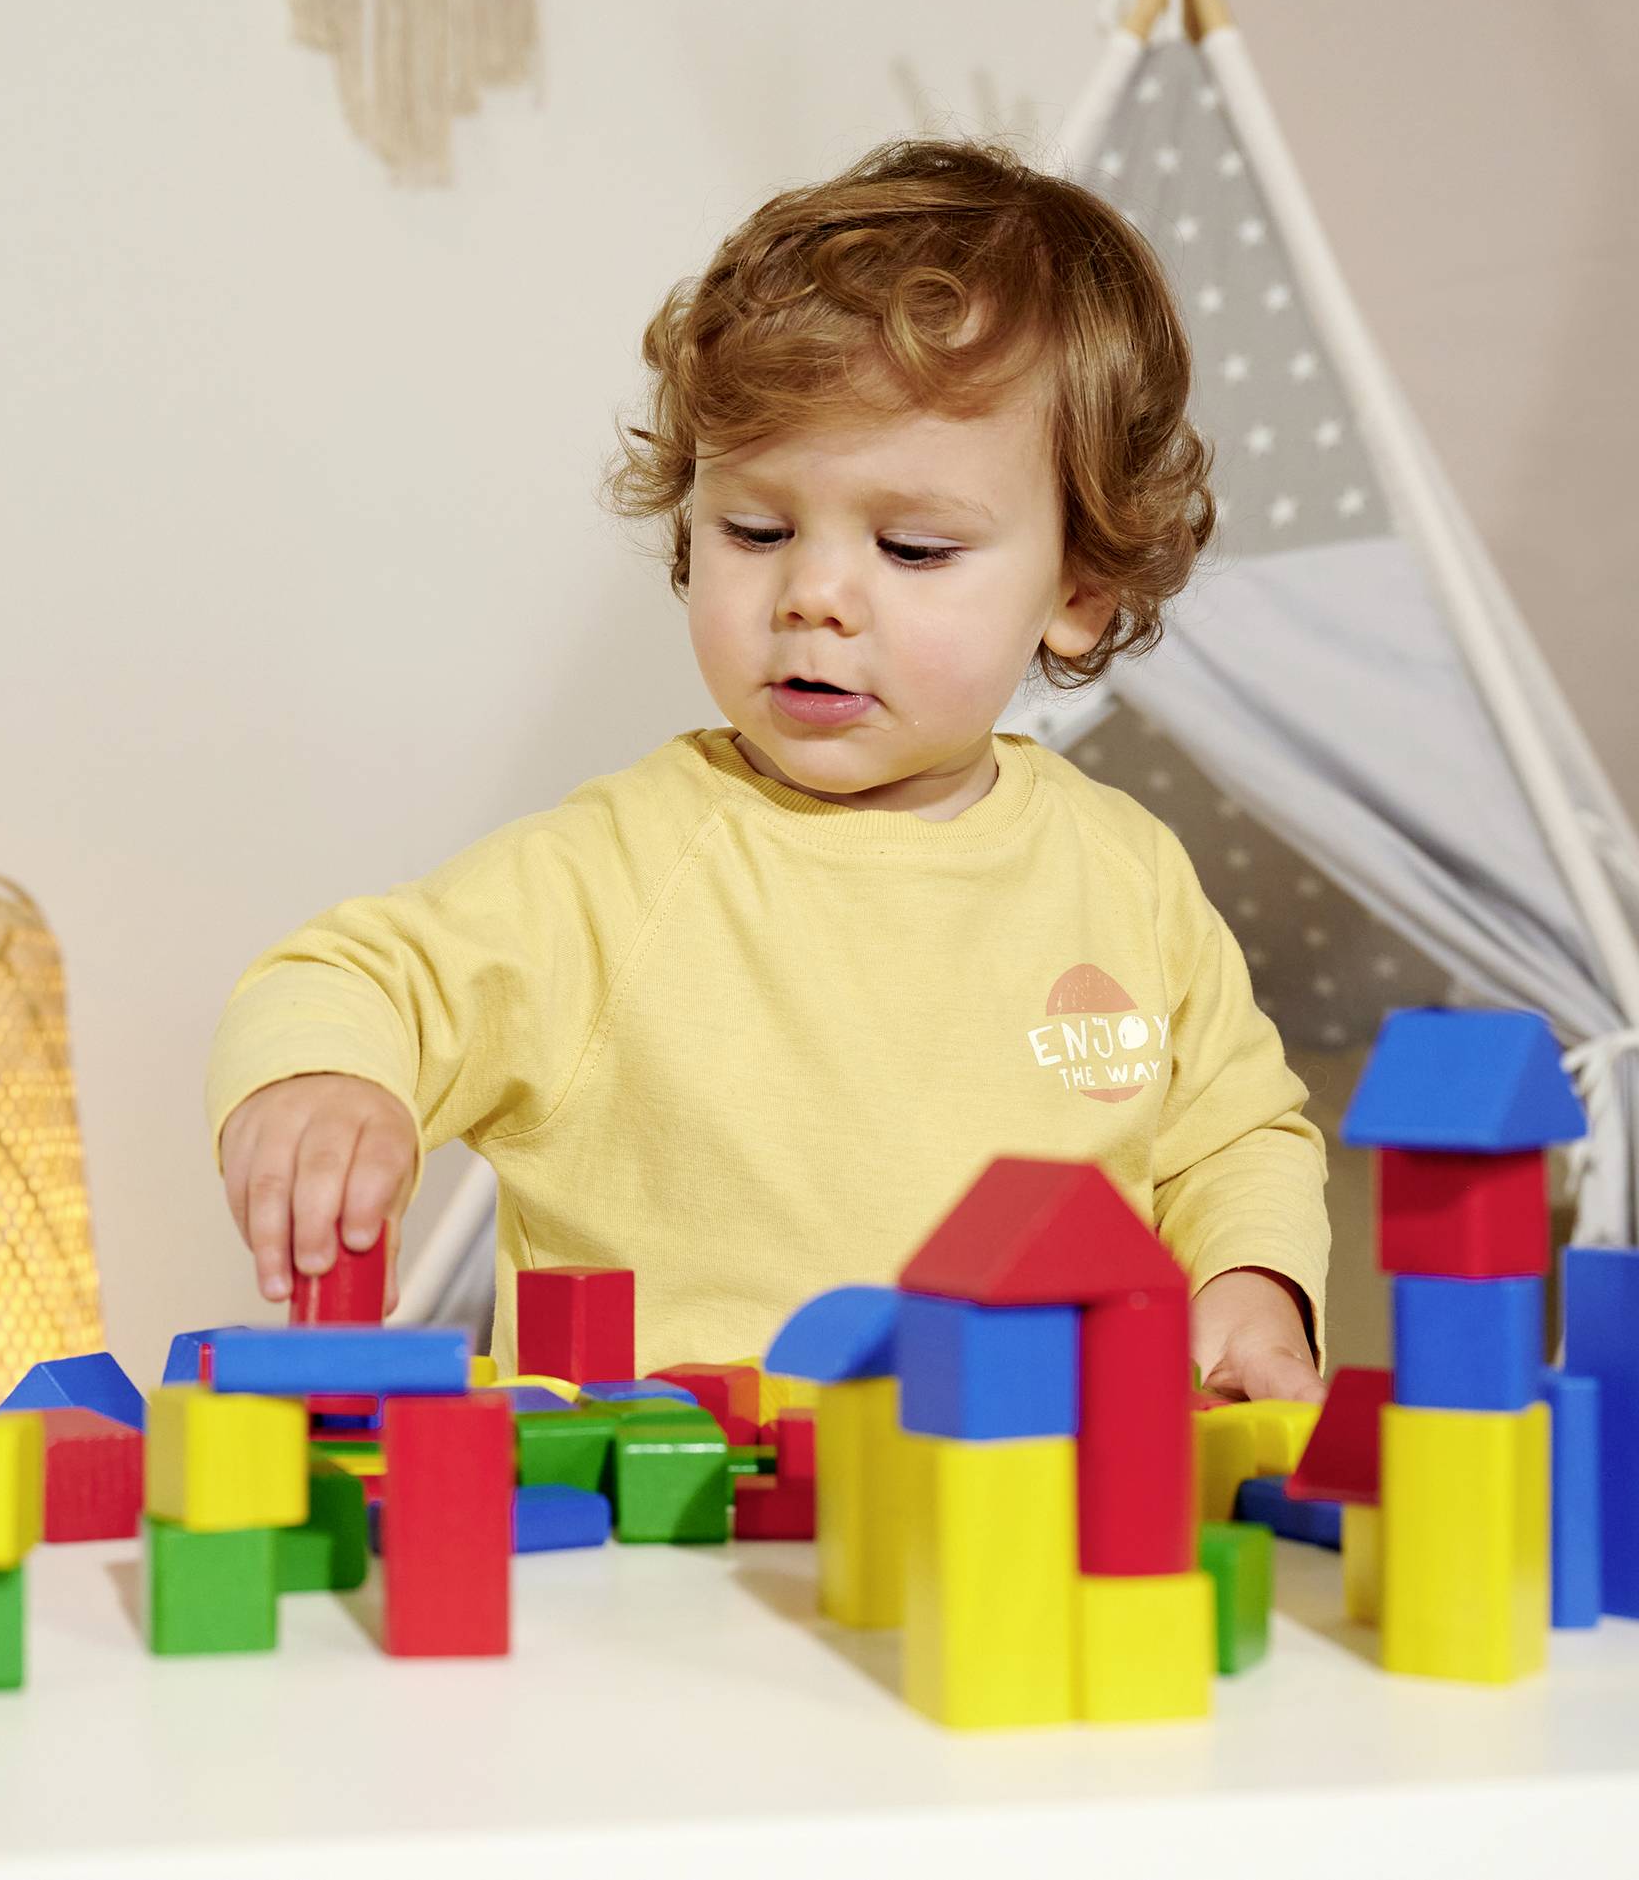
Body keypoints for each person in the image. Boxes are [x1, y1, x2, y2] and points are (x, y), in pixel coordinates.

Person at [204, 138, 1327, 1402]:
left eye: (911, 547)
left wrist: (1248, 1286)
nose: (814, 597)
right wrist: (322, 1082)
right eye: (755, 528)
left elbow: (1229, 1136)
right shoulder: (619, 873)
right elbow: (357, 976)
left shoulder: (1126, 874)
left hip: (1026, 1524)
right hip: (676, 1554)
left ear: (1076, 589)